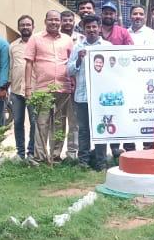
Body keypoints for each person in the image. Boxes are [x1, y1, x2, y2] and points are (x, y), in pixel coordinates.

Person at [25, 10, 74, 164]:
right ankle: (40, 156)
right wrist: (27, 87)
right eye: (51, 20)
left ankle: (55, 156)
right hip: (42, 89)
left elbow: (72, 64)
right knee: (42, 122)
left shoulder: (67, 39)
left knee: (59, 123)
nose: (54, 22)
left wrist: (73, 84)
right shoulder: (35, 39)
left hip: (63, 88)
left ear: (60, 22)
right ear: (45, 21)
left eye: (56, 20)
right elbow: (28, 63)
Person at [66, 15, 109, 170]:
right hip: (82, 96)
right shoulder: (77, 47)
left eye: (94, 27)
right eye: (88, 27)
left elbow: (113, 71)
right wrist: (78, 59)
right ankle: (83, 162)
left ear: (99, 28)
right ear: (83, 29)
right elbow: (69, 70)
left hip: (100, 98)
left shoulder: (107, 46)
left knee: (100, 129)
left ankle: (101, 162)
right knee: (83, 130)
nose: (91, 30)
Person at [8, 15, 37, 161]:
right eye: (22, 25)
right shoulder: (13, 45)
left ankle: (31, 152)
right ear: (19, 27)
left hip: (34, 90)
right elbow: (10, 67)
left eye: (28, 25)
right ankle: (20, 153)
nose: (25, 27)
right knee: (18, 122)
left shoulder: (38, 43)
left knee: (34, 122)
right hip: (16, 91)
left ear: (33, 27)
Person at [59, 9, 81, 160]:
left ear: (74, 22)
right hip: (59, 85)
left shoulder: (81, 39)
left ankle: (72, 154)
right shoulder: (54, 38)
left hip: (76, 86)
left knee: (74, 123)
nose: (67, 23)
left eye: (70, 20)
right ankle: (55, 154)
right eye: (64, 20)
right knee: (58, 121)